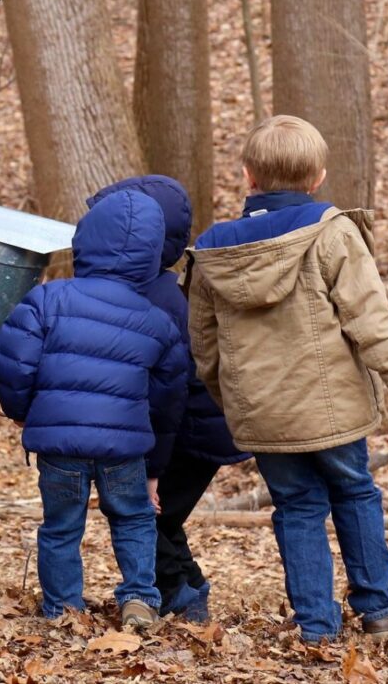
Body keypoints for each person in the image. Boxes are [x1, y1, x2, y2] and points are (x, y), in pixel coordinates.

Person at [189, 115, 388, 643]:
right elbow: (371, 321)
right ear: (318, 177)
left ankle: (317, 627)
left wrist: (232, 399)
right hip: (334, 410)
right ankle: (380, 610)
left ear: (248, 176)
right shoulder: (332, 233)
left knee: (297, 507)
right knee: (354, 493)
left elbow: (205, 348)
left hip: (265, 413)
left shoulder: (214, 251)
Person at [0, 189, 190, 631]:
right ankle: (139, 596)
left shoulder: (48, 300)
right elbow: (168, 392)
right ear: (152, 254)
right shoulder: (155, 320)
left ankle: (63, 608)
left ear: (85, 239)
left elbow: (12, 360)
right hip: (124, 448)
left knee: (61, 525)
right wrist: (149, 443)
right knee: (134, 518)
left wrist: (23, 410)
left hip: (60, 445)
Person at [86, 176, 250, 624]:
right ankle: (189, 588)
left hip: (192, 434)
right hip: (197, 429)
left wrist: (154, 468)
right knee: (161, 519)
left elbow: (167, 396)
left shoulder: (158, 302)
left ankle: (180, 592)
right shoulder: (157, 291)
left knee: (140, 511)